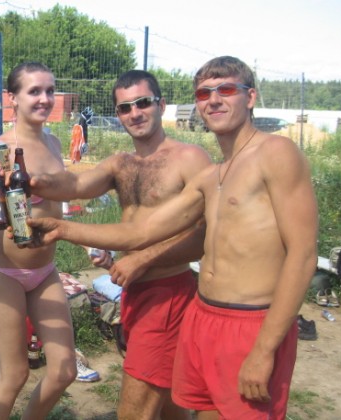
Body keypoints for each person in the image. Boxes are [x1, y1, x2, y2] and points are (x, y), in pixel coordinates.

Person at [26, 56, 318, 419]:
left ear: (251, 97)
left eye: (226, 90)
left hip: (242, 318)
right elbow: (140, 232)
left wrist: (264, 349)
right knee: (180, 409)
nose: (214, 100)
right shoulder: (214, 175)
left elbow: (303, 254)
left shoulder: (273, 152)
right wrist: (60, 225)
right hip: (202, 315)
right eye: (203, 94)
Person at [30, 69, 211, 419]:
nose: (135, 113)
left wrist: (143, 259)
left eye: (143, 103)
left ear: (161, 105)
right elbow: (75, 186)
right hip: (135, 293)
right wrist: (29, 181)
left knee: (136, 407)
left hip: (169, 294)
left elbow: (206, 235)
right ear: (117, 114)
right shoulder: (121, 164)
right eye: (125, 107)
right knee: (168, 401)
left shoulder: (189, 158)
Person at [0, 62, 76, 419]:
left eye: (50, 90)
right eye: (34, 91)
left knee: (64, 371)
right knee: (14, 375)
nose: (45, 99)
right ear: (12, 98)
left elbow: (60, 206)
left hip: (45, 271)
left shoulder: (54, 143)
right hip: (3, 273)